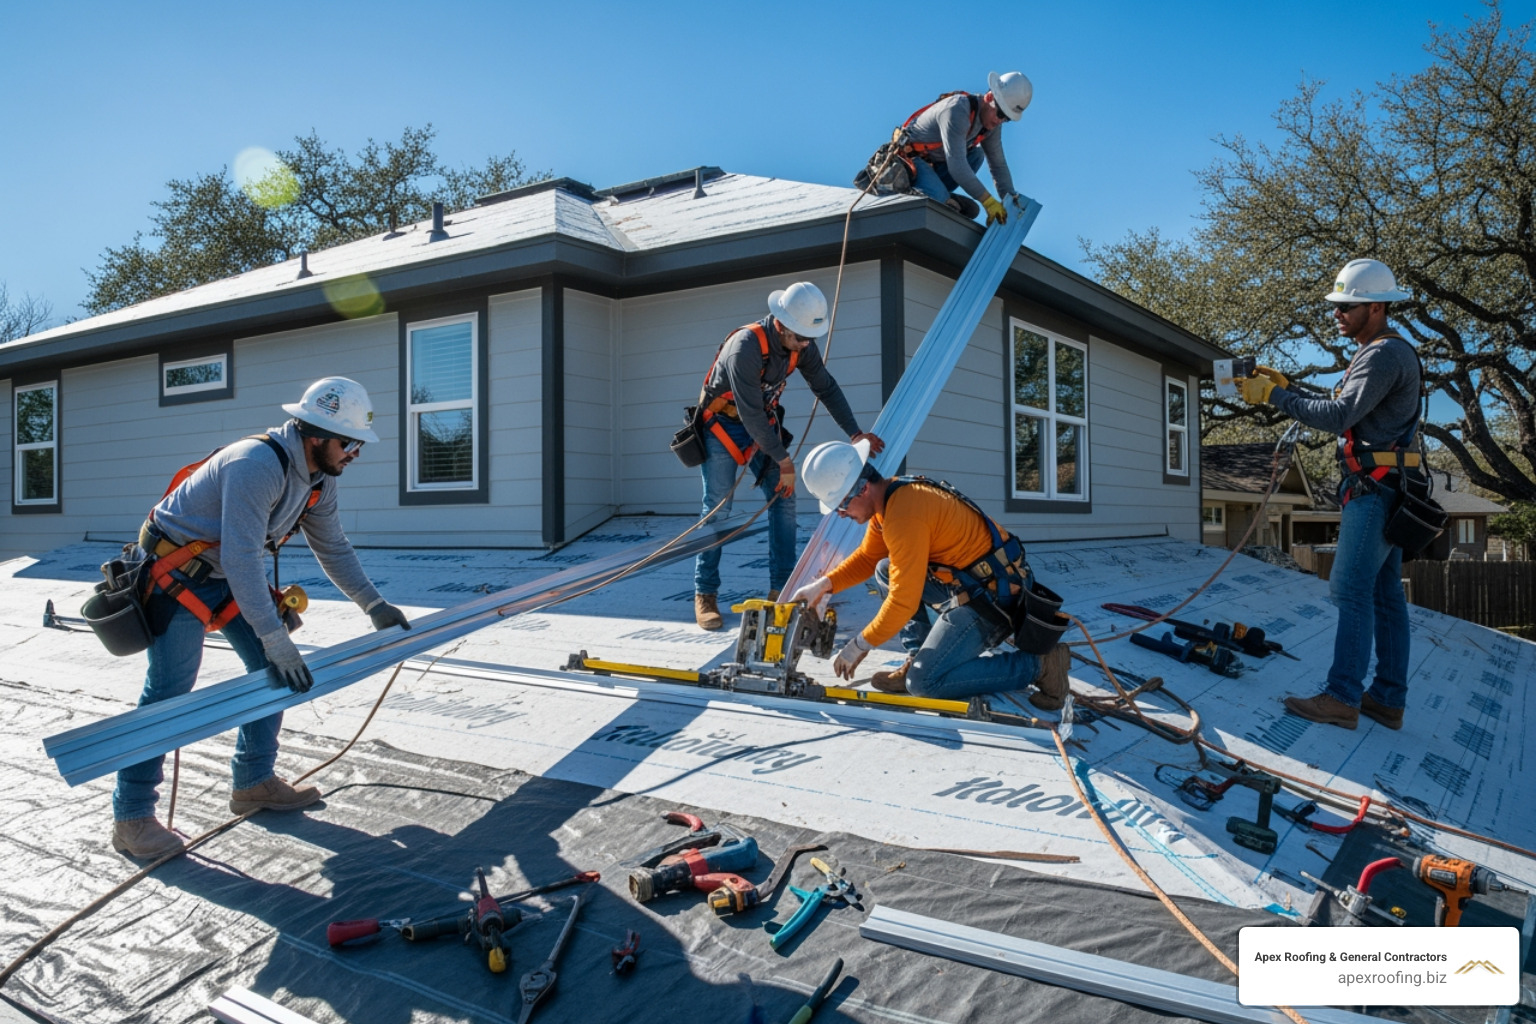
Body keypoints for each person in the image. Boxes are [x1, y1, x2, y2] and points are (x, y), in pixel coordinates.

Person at [111, 377, 412, 858]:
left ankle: (253, 782)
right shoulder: (256, 464)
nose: (354, 453)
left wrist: (373, 605)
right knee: (169, 693)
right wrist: (273, 635)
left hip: (225, 573)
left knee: (275, 673)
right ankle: (131, 819)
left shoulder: (319, 480)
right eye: (349, 442)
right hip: (176, 574)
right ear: (316, 435)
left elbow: (332, 547)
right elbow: (243, 557)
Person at [1240, 259, 1423, 731]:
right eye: (1337, 306)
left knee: (1349, 589)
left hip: (1376, 489)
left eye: (1348, 306)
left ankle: (1343, 696)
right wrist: (1289, 388)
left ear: (1378, 307)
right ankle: (1387, 698)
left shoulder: (1384, 354)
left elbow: (1339, 415)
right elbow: (1343, 405)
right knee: (1384, 595)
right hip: (1386, 486)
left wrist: (1276, 398)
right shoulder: (1378, 353)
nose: (1337, 313)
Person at [787, 438, 1069, 707]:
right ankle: (918, 655)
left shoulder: (905, 515)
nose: (841, 514)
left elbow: (903, 601)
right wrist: (823, 585)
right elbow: (867, 558)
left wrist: (859, 645)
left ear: (862, 489)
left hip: (995, 601)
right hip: (975, 585)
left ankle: (1039, 666)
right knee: (885, 569)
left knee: (925, 683)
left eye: (841, 505)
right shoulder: (891, 500)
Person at [692, 283, 884, 631]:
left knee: (785, 498)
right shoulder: (745, 348)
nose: (807, 345)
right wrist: (783, 461)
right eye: (801, 338)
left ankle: (782, 590)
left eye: (811, 338)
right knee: (718, 508)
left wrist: (855, 433)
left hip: (761, 425)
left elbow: (825, 386)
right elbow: (749, 414)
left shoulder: (800, 344)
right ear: (781, 325)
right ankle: (705, 593)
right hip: (723, 426)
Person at [893, 71, 1032, 223]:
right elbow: (957, 165)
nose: (1000, 121)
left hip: (936, 164)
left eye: (1007, 119)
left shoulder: (992, 125)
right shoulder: (957, 110)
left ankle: (940, 195)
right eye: (1000, 114)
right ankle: (932, 196)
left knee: (977, 155)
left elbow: (998, 165)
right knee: (934, 206)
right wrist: (988, 201)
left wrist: (1012, 201)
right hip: (911, 162)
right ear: (990, 98)